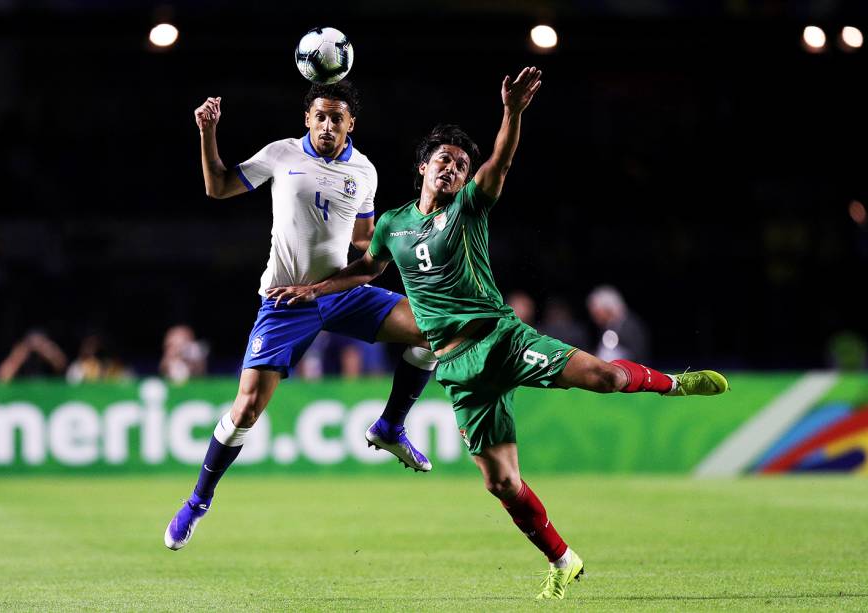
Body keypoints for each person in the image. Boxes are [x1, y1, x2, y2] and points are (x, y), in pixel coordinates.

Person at [267, 67, 729, 600]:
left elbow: (500, 162)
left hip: (501, 340)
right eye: (444, 160)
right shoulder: (392, 224)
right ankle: (563, 559)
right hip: (459, 369)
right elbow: (367, 271)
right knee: (500, 482)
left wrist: (511, 113)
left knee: (601, 376)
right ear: (423, 167)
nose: (454, 168)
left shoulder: (469, 209)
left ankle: (676, 383)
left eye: (461, 165)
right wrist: (313, 290)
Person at [164, 81, 439, 550]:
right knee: (247, 408)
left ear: (351, 123)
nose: (328, 124)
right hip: (286, 300)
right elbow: (218, 187)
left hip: (339, 291)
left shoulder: (364, 171)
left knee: (433, 330)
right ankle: (197, 501)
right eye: (320, 116)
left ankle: (391, 425)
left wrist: (403, 237)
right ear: (307, 119)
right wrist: (208, 132)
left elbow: (362, 239)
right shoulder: (282, 154)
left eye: (337, 117)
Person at [586, 284, 650, 363]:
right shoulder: (608, 326)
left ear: (608, 309)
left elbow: (638, 355)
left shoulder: (630, 326)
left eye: (596, 312)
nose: (594, 317)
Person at [0, 330, 67, 382]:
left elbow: (62, 366)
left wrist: (47, 350)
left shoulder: (48, 363)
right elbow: (2, 378)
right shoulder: (21, 358)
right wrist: (21, 352)